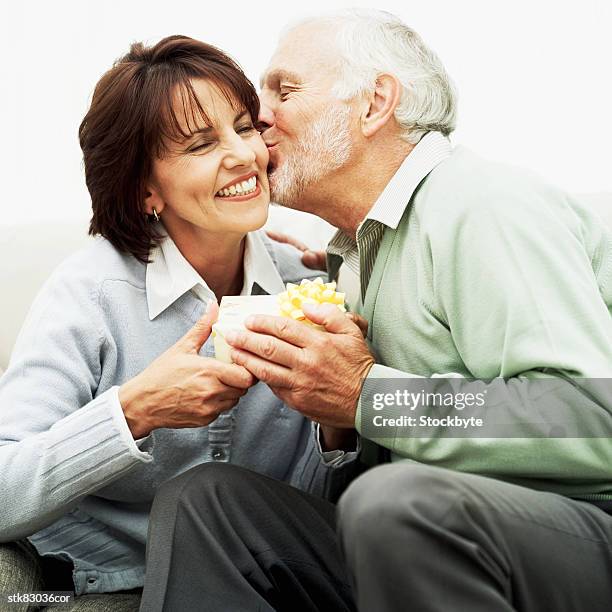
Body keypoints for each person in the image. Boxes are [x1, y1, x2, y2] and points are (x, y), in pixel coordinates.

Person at [142, 9, 612, 612]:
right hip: (438, 537)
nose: (258, 118)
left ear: (374, 103)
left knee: (394, 504)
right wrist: (339, 424)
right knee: (206, 503)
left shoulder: (481, 207)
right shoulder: (356, 255)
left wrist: (366, 395)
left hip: (583, 530)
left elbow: (591, 416)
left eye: (284, 90)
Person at [0, 35, 362, 608]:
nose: (244, 155)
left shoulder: (310, 287)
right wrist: (134, 412)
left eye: (245, 128)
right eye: (199, 144)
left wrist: (336, 423)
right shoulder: (91, 293)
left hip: (258, 585)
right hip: (101, 588)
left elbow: (311, 516)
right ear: (146, 189)